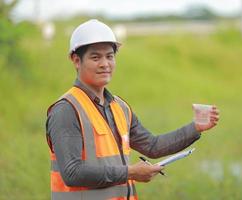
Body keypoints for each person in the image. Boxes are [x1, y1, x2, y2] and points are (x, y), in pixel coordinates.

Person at [46, 19, 220, 200]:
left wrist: (196, 127)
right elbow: (72, 173)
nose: (105, 64)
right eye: (95, 57)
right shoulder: (66, 110)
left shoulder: (120, 108)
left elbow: (152, 146)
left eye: (110, 56)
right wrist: (130, 172)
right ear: (76, 60)